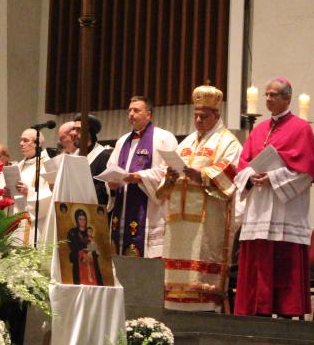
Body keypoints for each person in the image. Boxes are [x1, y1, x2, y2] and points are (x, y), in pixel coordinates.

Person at [233, 78, 314, 318]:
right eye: (266, 95)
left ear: (287, 98)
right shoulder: (259, 129)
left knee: (284, 261)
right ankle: (258, 309)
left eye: (273, 95)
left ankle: (285, 310)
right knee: (258, 260)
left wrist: (273, 178)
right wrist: (252, 178)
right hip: (259, 205)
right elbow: (242, 166)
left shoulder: (302, 129)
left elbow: (306, 172)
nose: (268, 99)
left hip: (285, 209)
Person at [158, 85, 242, 312]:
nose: (198, 120)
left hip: (207, 220)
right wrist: (171, 175)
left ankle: (204, 309)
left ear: (216, 115)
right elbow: (167, 175)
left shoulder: (228, 142)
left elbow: (232, 172)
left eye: (203, 116)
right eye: (195, 115)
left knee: (201, 265)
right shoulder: (186, 143)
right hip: (179, 221)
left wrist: (202, 175)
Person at [106, 96, 178, 258]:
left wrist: (140, 176)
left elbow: (171, 171)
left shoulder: (164, 138)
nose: (131, 114)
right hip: (122, 207)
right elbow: (111, 168)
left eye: (136, 110)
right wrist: (111, 184)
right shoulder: (122, 141)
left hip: (150, 211)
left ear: (149, 114)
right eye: (129, 110)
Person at [2, 129, 51, 246]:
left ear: (37, 143)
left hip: (35, 224)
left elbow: (52, 195)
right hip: (16, 221)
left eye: (25, 140)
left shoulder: (47, 165)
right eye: (21, 140)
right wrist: (9, 194)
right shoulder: (19, 165)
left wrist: (29, 193)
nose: (21, 143)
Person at [72, 114, 112, 205]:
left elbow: (104, 192)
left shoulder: (103, 157)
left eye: (78, 130)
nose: (74, 133)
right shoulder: (74, 155)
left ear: (89, 132)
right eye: (74, 129)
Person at [67, 208, 104, 286]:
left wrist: (90, 251)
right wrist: (83, 251)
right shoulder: (72, 232)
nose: (82, 221)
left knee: (94, 280)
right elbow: (73, 246)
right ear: (76, 220)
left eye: (84, 219)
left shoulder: (89, 232)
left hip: (91, 261)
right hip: (79, 260)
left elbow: (94, 246)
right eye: (80, 219)